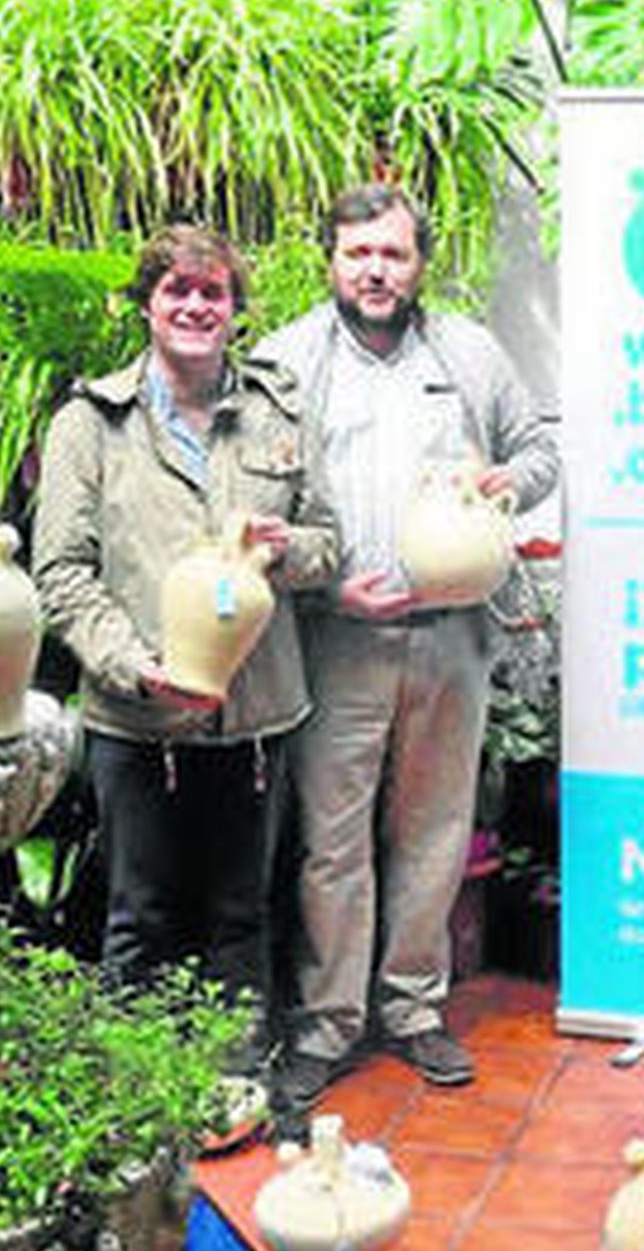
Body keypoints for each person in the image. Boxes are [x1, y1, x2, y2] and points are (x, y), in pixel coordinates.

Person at [257, 184, 559, 1123]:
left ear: (419, 261)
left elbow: (543, 448)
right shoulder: (286, 360)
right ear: (332, 261)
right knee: (331, 843)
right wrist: (322, 583)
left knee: (432, 832)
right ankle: (325, 1024)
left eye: (392, 254)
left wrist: (507, 477)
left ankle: (415, 1005)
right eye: (358, 254)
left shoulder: (466, 351)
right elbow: (253, 489)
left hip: (450, 636)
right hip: (337, 635)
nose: (376, 271)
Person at [33, 225, 341, 1053]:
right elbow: (60, 571)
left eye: (214, 292)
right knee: (141, 916)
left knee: (243, 914)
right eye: (177, 290)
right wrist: (136, 667)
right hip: (136, 722)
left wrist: (289, 549)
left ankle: (237, 1083)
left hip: (257, 716)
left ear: (237, 310)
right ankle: (137, 1104)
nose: (196, 306)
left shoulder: (276, 413)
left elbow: (328, 546)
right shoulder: (90, 424)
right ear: (147, 304)